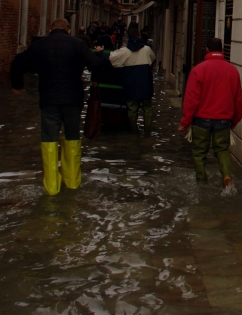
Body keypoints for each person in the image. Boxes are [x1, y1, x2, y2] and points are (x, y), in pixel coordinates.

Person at [10, 17, 103, 195]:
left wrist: (17, 85)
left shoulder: (39, 45)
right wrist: (95, 81)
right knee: (72, 137)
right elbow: (96, 64)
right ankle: (72, 182)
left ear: (50, 30)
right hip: (72, 100)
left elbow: (17, 64)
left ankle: (52, 187)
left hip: (49, 99)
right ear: (69, 30)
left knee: (49, 139)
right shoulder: (78, 44)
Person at [179, 37, 242, 189]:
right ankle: (226, 176)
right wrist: (234, 120)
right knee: (222, 150)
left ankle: (201, 183)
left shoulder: (198, 70)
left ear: (206, 50)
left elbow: (191, 99)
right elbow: (238, 99)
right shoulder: (233, 71)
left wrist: (185, 122)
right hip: (224, 119)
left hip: (201, 119)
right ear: (222, 50)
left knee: (199, 152)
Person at [101, 24, 156, 135]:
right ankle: (147, 134)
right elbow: (153, 59)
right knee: (147, 108)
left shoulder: (124, 51)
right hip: (146, 84)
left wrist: (101, 52)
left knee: (132, 109)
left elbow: (110, 59)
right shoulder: (147, 50)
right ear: (138, 35)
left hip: (131, 85)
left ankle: (134, 133)